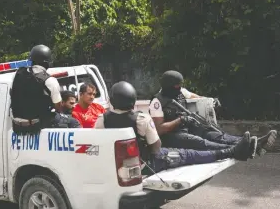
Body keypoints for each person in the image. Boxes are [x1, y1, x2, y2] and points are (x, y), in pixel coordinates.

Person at [95, 81, 255, 173]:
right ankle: (233, 152)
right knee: (189, 154)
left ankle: (241, 145)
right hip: (147, 164)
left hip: (117, 166)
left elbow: (99, 144)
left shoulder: (102, 120)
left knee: (201, 139)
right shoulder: (142, 118)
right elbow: (156, 147)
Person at [149, 70, 277, 156]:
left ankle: (254, 143)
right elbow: (159, 129)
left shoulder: (180, 91)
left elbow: (197, 98)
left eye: (180, 86)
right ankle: (244, 148)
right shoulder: (157, 102)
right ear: (169, 85)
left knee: (214, 134)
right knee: (200, 141)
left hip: (187, 128)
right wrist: (180, 120)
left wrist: (210, 101)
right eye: (176, 86)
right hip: (172, 136)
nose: (179, 88)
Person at [10, 44, 63, 134]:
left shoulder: (18, 74)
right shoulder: (49, 80)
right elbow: (58, 106)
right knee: (70, 120)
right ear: (47, 62)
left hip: (17, 127)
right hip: (36, 127)